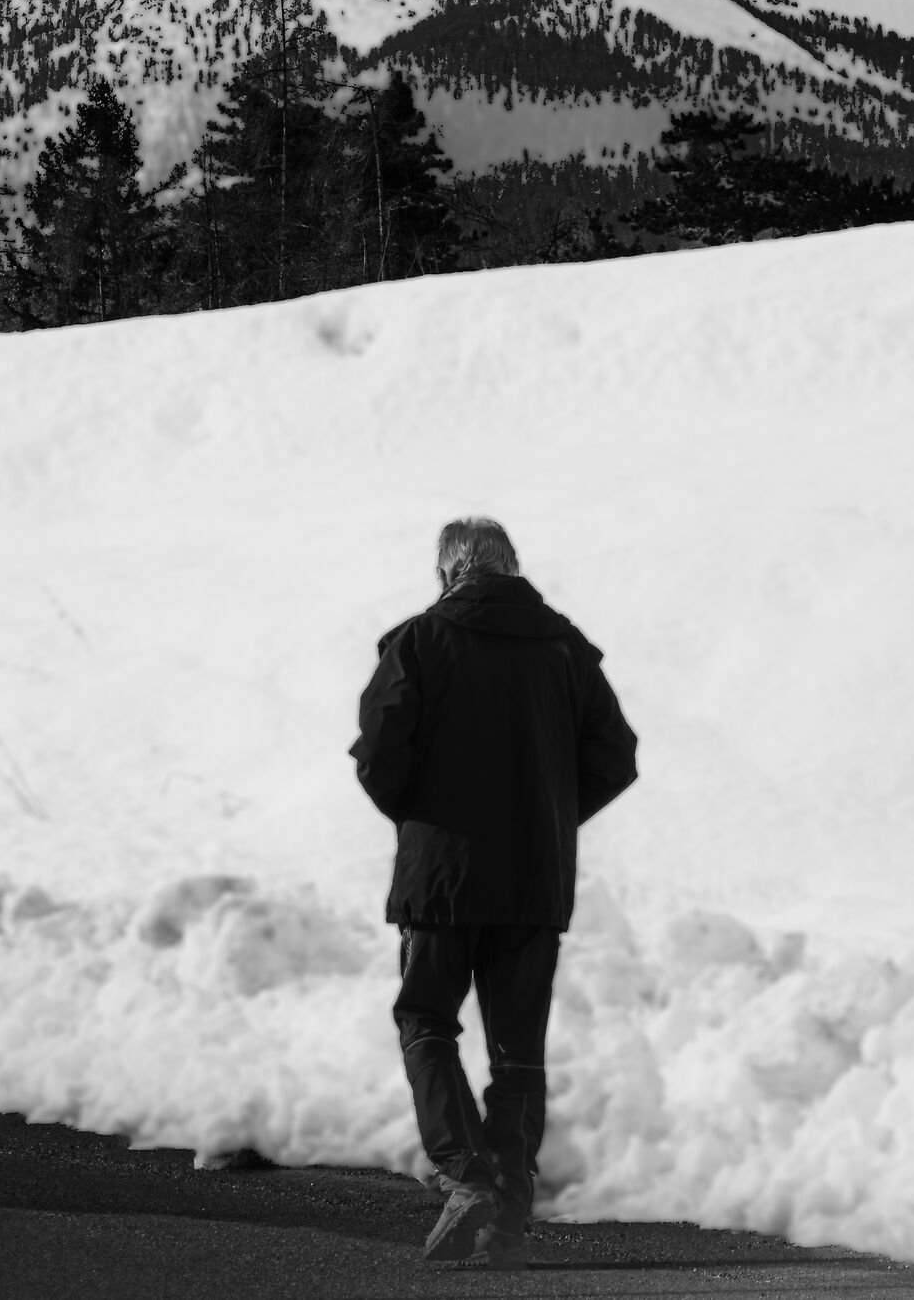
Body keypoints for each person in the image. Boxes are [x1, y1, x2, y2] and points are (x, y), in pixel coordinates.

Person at [350, 517, 640, 1269]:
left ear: (449, 573)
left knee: (425, 1019)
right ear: (512, 568)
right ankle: (506, 1224)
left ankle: (467, 1174)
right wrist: (543, 819)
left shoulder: (420, 641)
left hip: (441, 878)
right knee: (518, 1055)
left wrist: (424, 821)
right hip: (533, 881)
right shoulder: (565, 647)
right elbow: (616, 755)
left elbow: (379, 752)